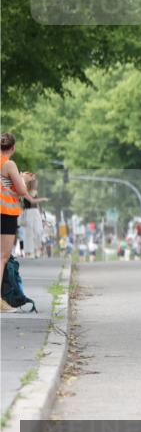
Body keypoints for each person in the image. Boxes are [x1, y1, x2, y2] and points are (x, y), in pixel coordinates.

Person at [2, 132, 46, 310]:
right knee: (3, 257)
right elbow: (21, 190)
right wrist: (24, 179)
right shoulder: (9, 163)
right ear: (13, 148)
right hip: (5, 213)